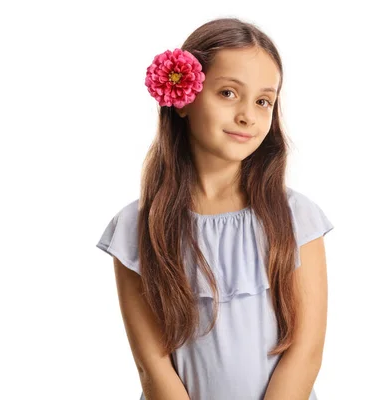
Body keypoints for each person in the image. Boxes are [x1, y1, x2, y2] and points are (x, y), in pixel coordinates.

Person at [96, 17, 334, 400]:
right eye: (227, 93)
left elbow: (305, 355)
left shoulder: (296, 218)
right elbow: (153, 368)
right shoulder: (136, 228)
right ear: (184, 99)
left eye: (263, 101)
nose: (247, 115)